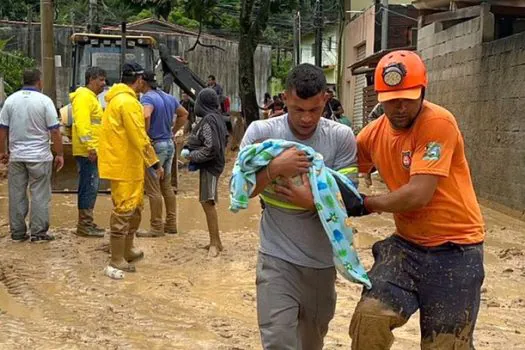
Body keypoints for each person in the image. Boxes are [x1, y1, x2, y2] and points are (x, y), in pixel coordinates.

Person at [346, 50, 485, 349]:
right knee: (369, 319)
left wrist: (367, 203)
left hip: (456, 250)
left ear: (422, 91)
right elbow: (338, 170)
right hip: (407, 248)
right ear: (379, 98)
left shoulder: (438, 123)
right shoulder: (372, 135)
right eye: (391, 100)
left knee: (446, 345)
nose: (399, 107)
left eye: (408, 98)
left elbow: (419, 194)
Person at [239, 63, 359, 349]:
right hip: (276, 258)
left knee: (311, 342)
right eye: (297, 109)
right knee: (278, 341)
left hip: (321, 264)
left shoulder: (341, 137)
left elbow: (351, 201)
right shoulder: (261, 133)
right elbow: (241, 191)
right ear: (284, 99)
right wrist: (274, 169)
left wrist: (314, 202)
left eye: (314, 110)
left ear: (325, 100)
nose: (306, 119)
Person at [98, 62, 162, 275]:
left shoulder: (117, 100)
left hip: (125, 163)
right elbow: (139, 135)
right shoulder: (128, 103)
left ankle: (127, 249)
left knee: (134, 207)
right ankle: (117, 257)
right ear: (140, 80)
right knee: (125, 209)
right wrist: (154, 161)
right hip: (125, 164)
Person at [0, 69, 64, 243]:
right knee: (39, 195)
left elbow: (2, 130)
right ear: (39, 81)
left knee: (16, 194)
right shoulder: (45, 101)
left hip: (17, 157)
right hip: (39, 157)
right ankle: (38, 233)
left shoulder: (10, 101)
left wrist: (3, 152)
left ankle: (18, 233)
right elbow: (55, 131)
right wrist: (59, 154)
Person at [138, 71, 188, 237]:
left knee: (153, 188)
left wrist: (144, 135)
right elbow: (184, 114)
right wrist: (172, 131)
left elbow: (146, 114)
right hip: (169, 144)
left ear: (143, 83)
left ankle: (156, 227)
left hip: (156, 145)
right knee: (166, 185)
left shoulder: (147, 98)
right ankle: (171, 223)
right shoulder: (169, 97)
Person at [181, 88, 228, 258]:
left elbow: (211, 147)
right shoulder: (217, 117)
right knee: (206, 201)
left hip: (211, 165)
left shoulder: (209, 120)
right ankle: (215, 240)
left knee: (208, 202)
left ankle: (215, 243)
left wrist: (192, 156)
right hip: (214, 164)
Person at [70, 66, 107, 237]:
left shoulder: (90, 98)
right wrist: (91, 147)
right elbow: (82, 124)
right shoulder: (84, 97)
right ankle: (84, 225)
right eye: (100, 80)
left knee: (91, 186)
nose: (103, 83)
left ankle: (87, 222)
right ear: (91, 79)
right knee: (89, 186)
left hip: (91, 150)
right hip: (87, 152)